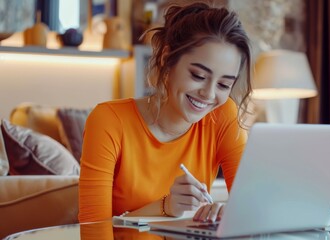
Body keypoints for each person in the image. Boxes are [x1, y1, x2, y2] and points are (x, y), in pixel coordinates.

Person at [78, 1, 253, 224]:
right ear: (166, 59)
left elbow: (251, 209)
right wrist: (166, 206)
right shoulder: (109, 121)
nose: (209, 94)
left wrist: (224, 213)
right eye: (198, 76)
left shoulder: (223, 115)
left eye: (223, 84)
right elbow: (93, 229)